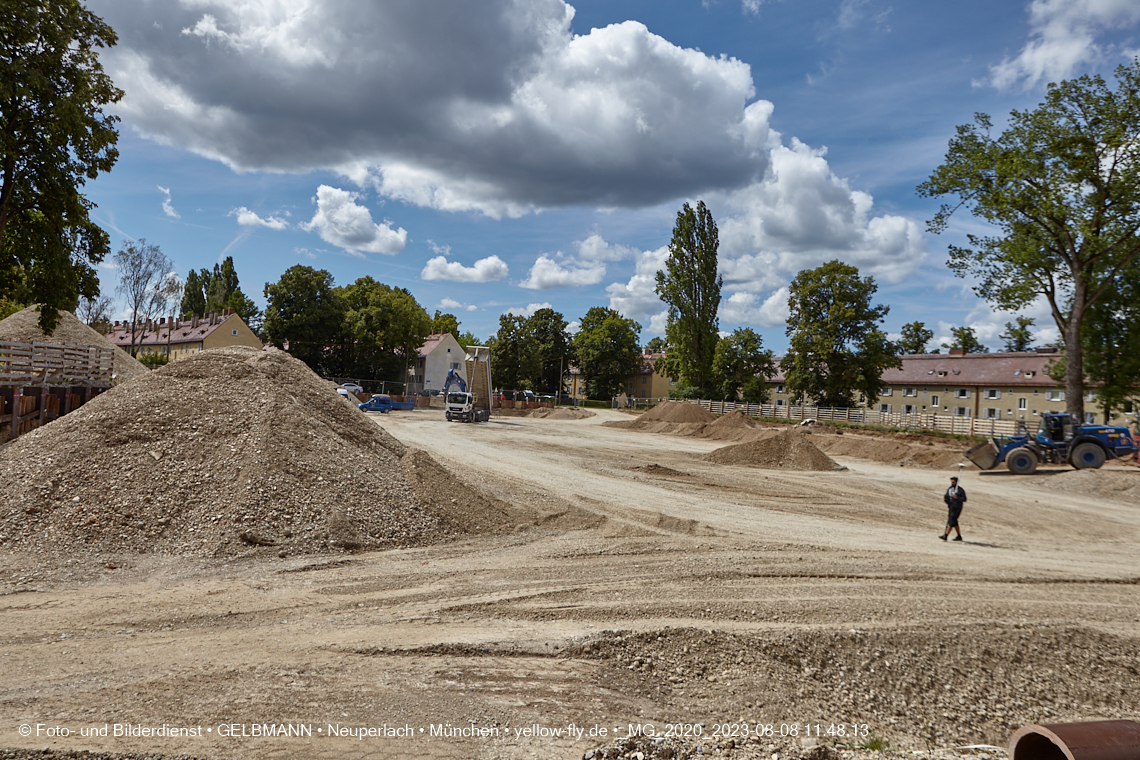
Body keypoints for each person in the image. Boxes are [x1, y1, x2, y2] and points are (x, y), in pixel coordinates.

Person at [940, 476, 966, 541]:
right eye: (951, 482)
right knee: (954, 521)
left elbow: (964, 499)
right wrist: (946, 500)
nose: (952, 483)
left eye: (953, 482)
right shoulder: (950, 489)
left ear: (956, 482)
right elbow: (946, 496)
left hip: (957, 507)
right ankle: (959, 536)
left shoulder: (960, 490)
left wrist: (957, 497)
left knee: (952, 521)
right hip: (951, 507)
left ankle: (945, 535)